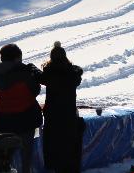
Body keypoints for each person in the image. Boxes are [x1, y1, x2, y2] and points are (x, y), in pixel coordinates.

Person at [0, 44, 42, 173]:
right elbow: (35, 91)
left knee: (5, 155)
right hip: (26, 118)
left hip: (3, 119)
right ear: (17, 58)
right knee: (26, 155)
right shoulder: (26, 72)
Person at [41, 42, 85, 173]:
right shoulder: (73, 74)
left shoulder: (48, 74)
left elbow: (40, 75)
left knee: (54, 147)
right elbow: (77, 68)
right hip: (68, 115)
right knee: (69, 148)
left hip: (52, 116)